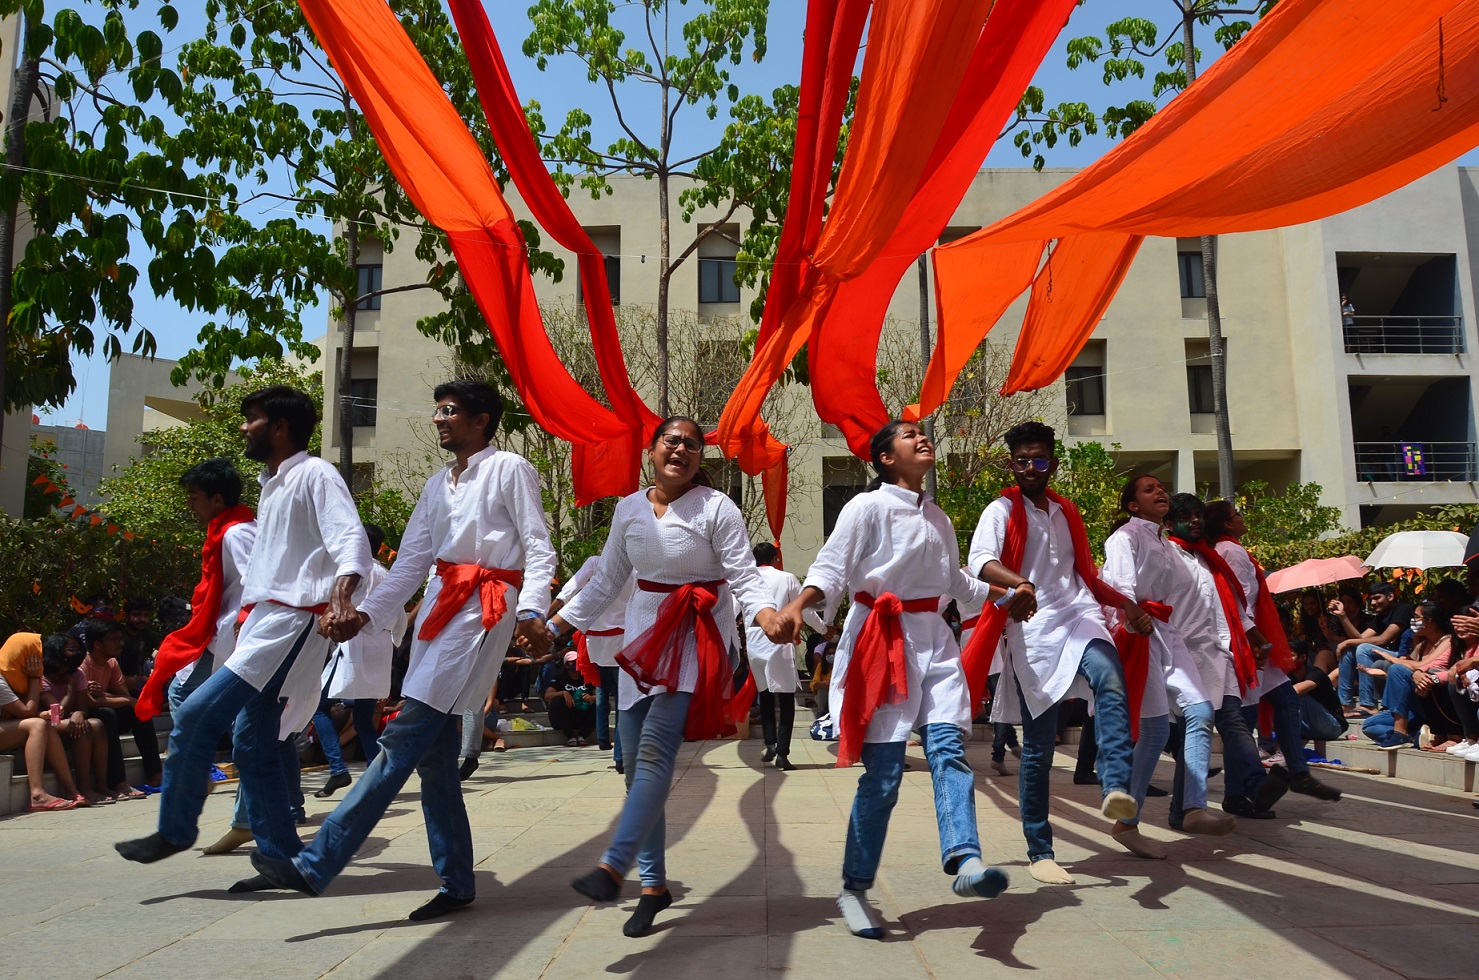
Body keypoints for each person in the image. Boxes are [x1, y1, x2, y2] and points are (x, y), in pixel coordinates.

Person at [249, 380, 555, 922]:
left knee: (402, 737)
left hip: (484, 608)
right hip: (439, 612)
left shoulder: (509, 468)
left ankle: (318, 862)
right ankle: (458, 882)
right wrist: (364, 614)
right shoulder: (438, 484)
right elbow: (411, 562)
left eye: (450, 411)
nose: (439, 419)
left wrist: (532, 609)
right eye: (436, 409)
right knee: (435, 764)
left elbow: (537, 543)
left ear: (482, 420)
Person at [549, 416, 790, 939]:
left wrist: (766, 616)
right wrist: (554, 625)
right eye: (671, 441)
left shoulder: (717, 507)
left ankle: (613, 866)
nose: (681, 449)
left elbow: (745, 577)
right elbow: (605, 580)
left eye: (692, 444)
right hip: (641, 640)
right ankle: (654, 886)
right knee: (636, 768)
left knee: (657, 752)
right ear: (653, 450)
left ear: (701, 457)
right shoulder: (628, 509)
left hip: (695, 637)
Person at [116, 385, 371, 870]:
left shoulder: (315, 473)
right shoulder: (270, 483)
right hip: (266, 625)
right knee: (253, 743)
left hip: (291, 622)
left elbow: (350, 541)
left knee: (193, 715)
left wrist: (340, 599)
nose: (242, 427)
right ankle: (281, 860)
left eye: (250, 418)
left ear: (279, 427)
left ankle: (174, 830)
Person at [776, 420, 1007, 939]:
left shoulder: (940, 517)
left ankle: (965, 861)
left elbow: (957, 583)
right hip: (882, 644)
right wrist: (795, 606)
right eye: (908, 436)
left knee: (949, 751)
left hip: (936, 644)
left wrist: (1006, 597)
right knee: (883, 778)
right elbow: (831, 569)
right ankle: (854, 888)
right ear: (884, 458)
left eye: (925, 433)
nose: (923, 438)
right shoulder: (866, 507)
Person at [968, 421, 1143, 886]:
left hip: (1079, 614)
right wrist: (1018, 582)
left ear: (1053, 463)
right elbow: (979, 561)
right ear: (1011, 463)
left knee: (1109, 678)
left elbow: (1083, 572)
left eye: (1039, 460)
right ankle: (1040, 849)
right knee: (1040, 748)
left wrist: (1123, 603)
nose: (1030, 467)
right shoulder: (1000, 509)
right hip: (1033, 631)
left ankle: (1116, 786)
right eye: (1022, 460)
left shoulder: (1068, 512)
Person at [1100, 477, 1233, 858]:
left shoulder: (1166, 544)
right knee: (1155, 730)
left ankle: (1193, 808)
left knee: (1200, 710)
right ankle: (1127, 823)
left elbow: (1188, 591)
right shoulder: (1125, 537)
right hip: (1138, 631)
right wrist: (1132, 616)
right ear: (1132, 506)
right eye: (1147, 489)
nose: (1159, 492)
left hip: (1165, 633)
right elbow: (1121, 587)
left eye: (1161, 487)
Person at [135, 458, 260, 854]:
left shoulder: (237, 533)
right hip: (222, 638)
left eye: (194, 497)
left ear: (217, 498)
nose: (190, 504)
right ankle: (247, 815)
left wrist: (245, 620)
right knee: (254, 732)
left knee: (207, 714)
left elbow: (259, 583)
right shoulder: (229, 529)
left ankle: (202, 785)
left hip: (237, 641)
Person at [1204, 501, 1342, 803]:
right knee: (1247, 718)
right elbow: (1238, 601)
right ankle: (1242, 792)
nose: (1242, 518)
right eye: (1237, 514)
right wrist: (1255, 641)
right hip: (1247, 645)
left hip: (1250, 641)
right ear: (1227, 524)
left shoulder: (1229, 550)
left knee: (1281, 702)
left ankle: (1295, 773)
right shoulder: (1232, 552)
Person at [1162, 494, 1288, 820]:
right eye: (1186, 515)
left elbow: (1235, 609)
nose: (1194, 521)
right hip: (1182, 659)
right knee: (1188, 734)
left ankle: (1190, 807)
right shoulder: (1164, 558)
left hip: (1221, 656)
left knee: (1231, 724)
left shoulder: (1211, 561)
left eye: (1197, 515)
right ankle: (1184, 807)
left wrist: (1257, 641)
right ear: (1168, 523)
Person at [312, 523, 406, 799]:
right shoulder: (387, 575)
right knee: (364, 718)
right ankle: (379, 777)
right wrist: (393, 643)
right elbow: (399, 616)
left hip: (355, 645)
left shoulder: (354, 572)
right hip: (380, 649)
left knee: (318, 708)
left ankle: (338, 769)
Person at [551, 553, 635, 763]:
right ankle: (620, 754)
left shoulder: (596, 562)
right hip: (623, 638)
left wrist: (545, 614)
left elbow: (568, 591)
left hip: (598, 641)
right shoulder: (636, 563)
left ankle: (607, 741)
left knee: (602, 693)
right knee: (623, 697)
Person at [747, 542, 823, 771]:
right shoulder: (786, 578)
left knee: (766, 696)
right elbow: (804, 609)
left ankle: (770, 742)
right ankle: (782, 753)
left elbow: (732, 608)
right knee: (787, 698)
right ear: (775, 558)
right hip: (778, 639)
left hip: (753, 639)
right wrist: (823, 629)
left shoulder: (747, 579)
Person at [0, 636, 87, 811]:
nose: (40, 662)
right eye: (33, 657)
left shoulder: (12, 679)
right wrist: (34, 678)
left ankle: (72, 791)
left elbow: (27, 711)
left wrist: (43, 713)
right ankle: (37, 794)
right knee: (38, 724)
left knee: (43, 724)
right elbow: (27, 712)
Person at [75, 618, 159, 795]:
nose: (120, 644)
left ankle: (155, 773)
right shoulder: (82, 665)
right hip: (84, 714)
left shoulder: (111, 662)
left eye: (121, 639)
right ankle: (118, 782)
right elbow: (89, 702)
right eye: (114, 640)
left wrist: (116, 698)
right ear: (97, 644)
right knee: (107, 714)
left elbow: (124, 695)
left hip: (106, 709)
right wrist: (126, 701)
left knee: (138, 710)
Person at [1360, 601, 1458, 749]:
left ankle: (1400, 732)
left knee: (1397, 668)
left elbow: (1418, 667)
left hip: (1432, 699)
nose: (1413, 621)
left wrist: (1391, 658)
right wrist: (1383, 673)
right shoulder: (1422, 645)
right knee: (1369, 725)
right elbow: (1407, 671)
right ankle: (1415, 736)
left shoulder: (1447, 640)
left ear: (1429, 621)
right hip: (1416, 703)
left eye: (1417, 617)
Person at [39, 633, 110, 804]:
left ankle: (101, 784)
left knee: (97, 724)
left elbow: (82, 707)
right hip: (47, 724)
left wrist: (79, 713)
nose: (77, 653)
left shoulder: (78, 674)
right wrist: (70, 687)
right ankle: (83, 787)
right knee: (83, 727)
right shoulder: (42, 676)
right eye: (71, 650)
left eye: (78, 649)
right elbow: (56, 713)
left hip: (66, 723)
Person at [1333, 582, 1412, 716]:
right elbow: (1360, 638)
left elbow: (1383, 639)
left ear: (1391, 596)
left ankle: (1368, 704)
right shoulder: (1380, 617)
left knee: (1363, 648)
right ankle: (1344, 704)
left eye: (1377, 598)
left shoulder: (1403, 610)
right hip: (1387, 654)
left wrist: (1348, 641)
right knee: (1349, 651)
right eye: (1371, 600)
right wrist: (1343, 616)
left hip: (1405, 656)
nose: (1373, 603)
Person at [541, 650, 598, 745]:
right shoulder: (559, 678)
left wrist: (591, 697)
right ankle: (570, 736)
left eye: (577, 661)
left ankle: (582, 735)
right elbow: (547, 696)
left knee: (602, 705)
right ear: (566, 664)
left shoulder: (586, 678)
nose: (575, 664)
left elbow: (600, 696)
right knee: (557, 702)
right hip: (565, 716)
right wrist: (563, 693)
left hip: (582, 714)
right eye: (572, 661)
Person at [118, 598, 159, 697]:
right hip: (120, 681)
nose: (142, 619)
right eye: (137, 615)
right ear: (126, 617)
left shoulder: (145, 632)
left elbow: (163, 647)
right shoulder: (118, 635)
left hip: (139, 679)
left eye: (145, 615)